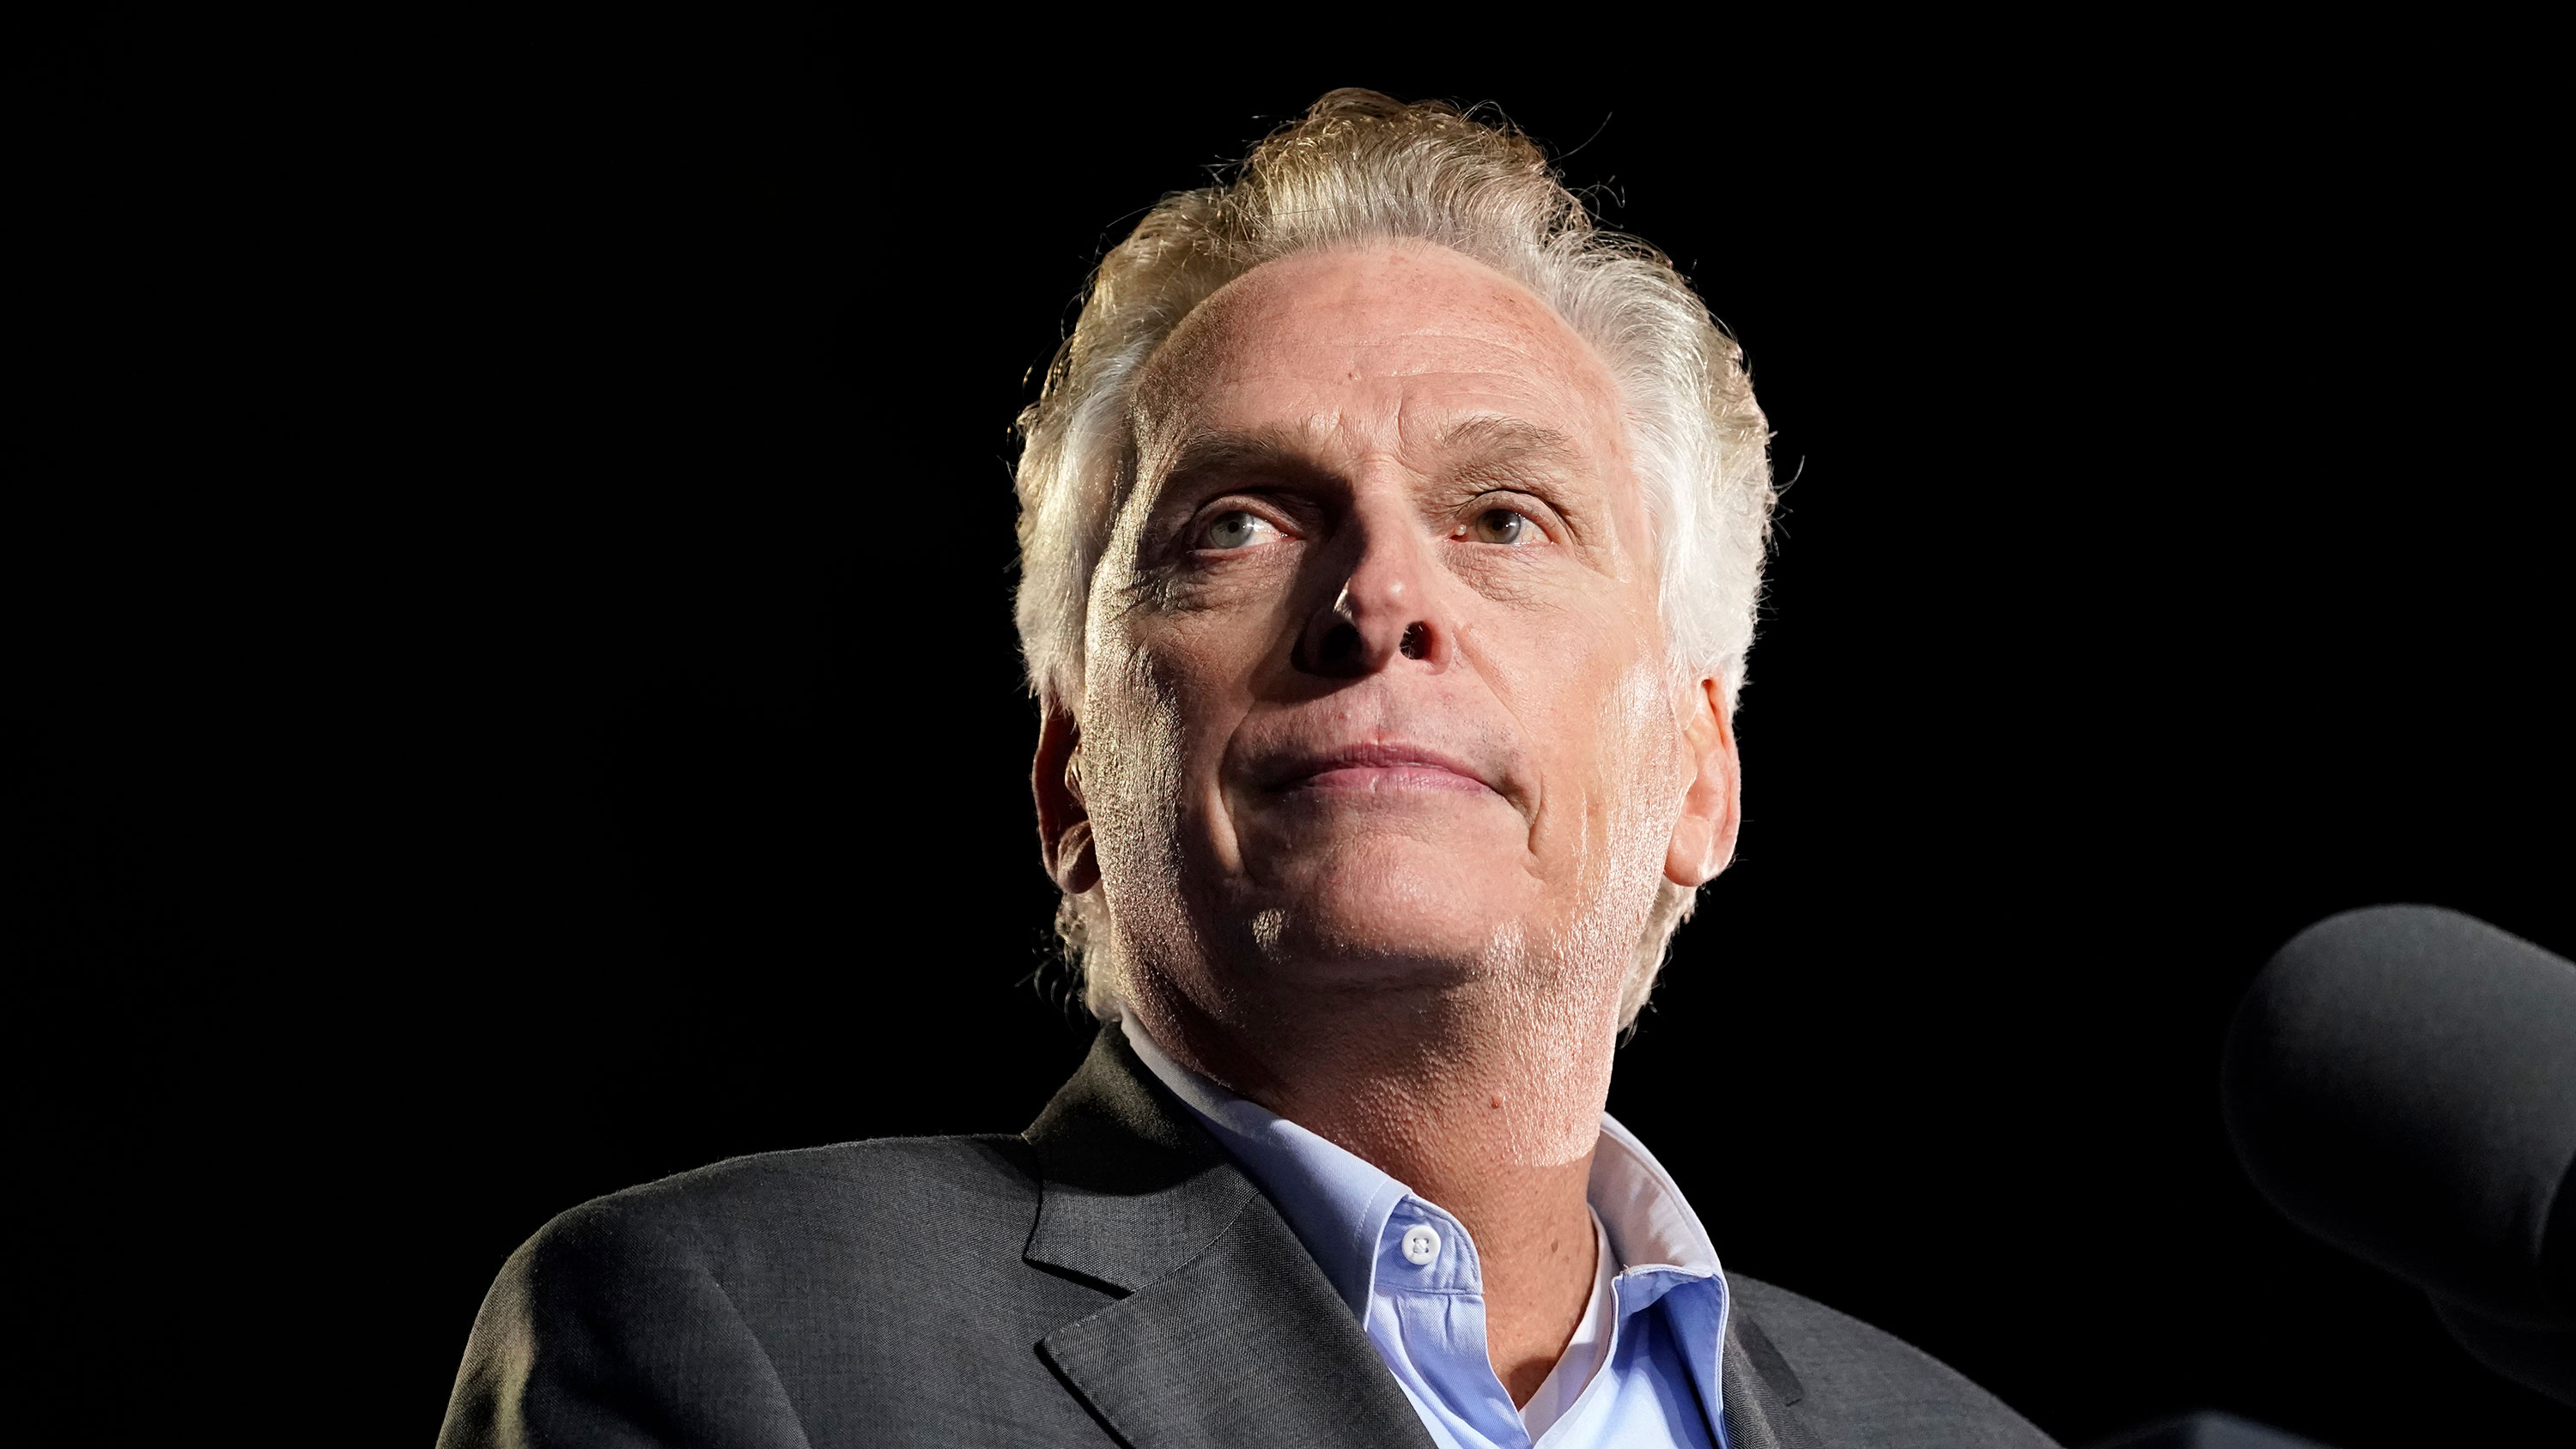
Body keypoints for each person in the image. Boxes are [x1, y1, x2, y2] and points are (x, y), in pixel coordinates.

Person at [438, 89, 2060, 1449]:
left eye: (1505, 517)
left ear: (1701, 772)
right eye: (1239, 526)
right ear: (1071, 779)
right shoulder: (745, 1340)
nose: (1379, 601)